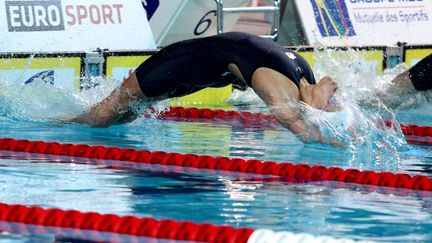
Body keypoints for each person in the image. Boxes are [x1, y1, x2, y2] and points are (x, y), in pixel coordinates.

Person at [69, 32, 431, 146]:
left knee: (117, 119)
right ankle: (57, 123)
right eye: (331, 103)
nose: (333, 98)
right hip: (178, 63)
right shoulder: (279, 85)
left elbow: (304, 114)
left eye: (329, 103)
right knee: (98, 120)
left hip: (201, 69)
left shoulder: (302, 76)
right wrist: (333, 142)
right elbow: (293, 120)